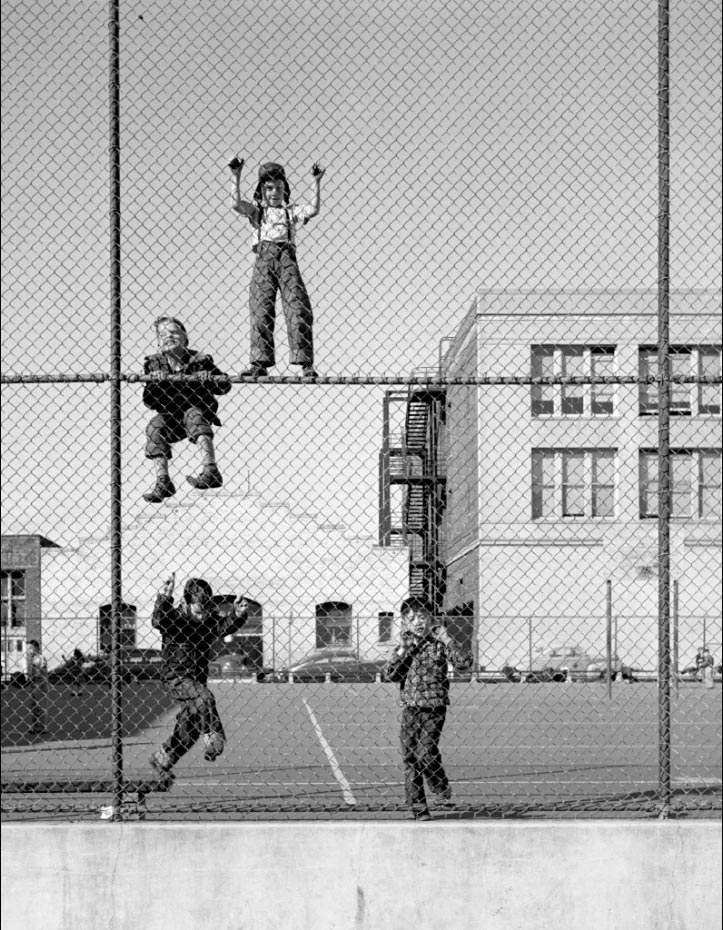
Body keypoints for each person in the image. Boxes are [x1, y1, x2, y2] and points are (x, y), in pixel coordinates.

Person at [230, 158, 325, 378]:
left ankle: (305, 362)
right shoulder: (257, 213)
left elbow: (313, 209)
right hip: (264, 259)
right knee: (261, 309)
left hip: (287, 259)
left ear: (285, 190)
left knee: (298, 307)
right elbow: (236, 204)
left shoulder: (290, 212)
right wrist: (235, 176)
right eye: (269, 188)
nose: (274, 192)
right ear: (262, 190)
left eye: (279, 188)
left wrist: (315, 182)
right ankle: (259, 361)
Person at [149, 573, 249, 780]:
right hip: (176, 676)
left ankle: (162, 758)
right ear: (187, 602)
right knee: (204, 698)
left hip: (197, 679)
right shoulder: (175, 618)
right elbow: (158, 619)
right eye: (197, 608)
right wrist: (164, 597)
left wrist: (238, 614)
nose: (201, 614)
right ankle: (213, 736)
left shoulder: (207, 620)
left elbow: (224, 626)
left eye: (204, 609)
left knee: (191, 727)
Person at [383, 597, 472, 821]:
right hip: (411, 710)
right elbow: (390, 675)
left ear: (431, 618)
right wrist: (403, 650)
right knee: (410, 758)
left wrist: (448, 639)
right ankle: (419, 808)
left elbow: (463, 664)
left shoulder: (439, 644)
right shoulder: (404, 647)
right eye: (411, 618)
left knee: (426, 753)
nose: (418, 622)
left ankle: (440, 785)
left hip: (434, 708)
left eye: (422, 616)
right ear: (404, 623)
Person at [142, 316, 231, 503]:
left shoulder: (199, 360)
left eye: (174, 332)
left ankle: (210, 470)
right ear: (158, 342)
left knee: (194, 415)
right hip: (171, 417)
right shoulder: (154, 363)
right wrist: (155, 382)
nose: (169, 336)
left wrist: (209, 377)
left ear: (185, 338)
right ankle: (163, 481)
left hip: (195, 410)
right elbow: (149, 401)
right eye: (163, 334)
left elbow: (224, 387)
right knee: (155, 426)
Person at [26, 639, 48, 736]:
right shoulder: (32, 659)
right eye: (28, 648)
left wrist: (32, 676)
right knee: (33, 706)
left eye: (31, 648)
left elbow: (41, 672)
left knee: (39, 707)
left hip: (40, 684)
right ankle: (35, 727)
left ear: (36, 648)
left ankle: (42, 727)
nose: (29, 650)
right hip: (33, 684)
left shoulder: (40, 658)